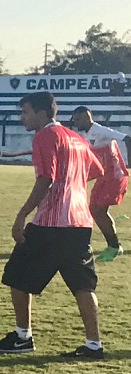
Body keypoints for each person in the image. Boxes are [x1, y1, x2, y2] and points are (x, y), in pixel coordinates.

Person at [0, 92, 105, 358]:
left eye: (25, 112)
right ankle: (94, 345)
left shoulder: (44, 136)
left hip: (51, 222)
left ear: (42, 113)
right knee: (82, 285)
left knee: (17, 276)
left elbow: (45, 179)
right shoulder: (76, 138)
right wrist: (73, 186)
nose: (22, 118)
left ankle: (22, 336)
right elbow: (97, 170)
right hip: (80, 222)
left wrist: (21, 215)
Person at [68, 106, 127, 261]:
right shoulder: (85, 135)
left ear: (87, 118)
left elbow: (127, 138)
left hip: (115, 176)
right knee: (94, 209)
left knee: (98, 210)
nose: (75, 123)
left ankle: (114, 246)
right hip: (103, 177)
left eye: (77, 119)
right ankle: (113, 245)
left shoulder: (101, 131)